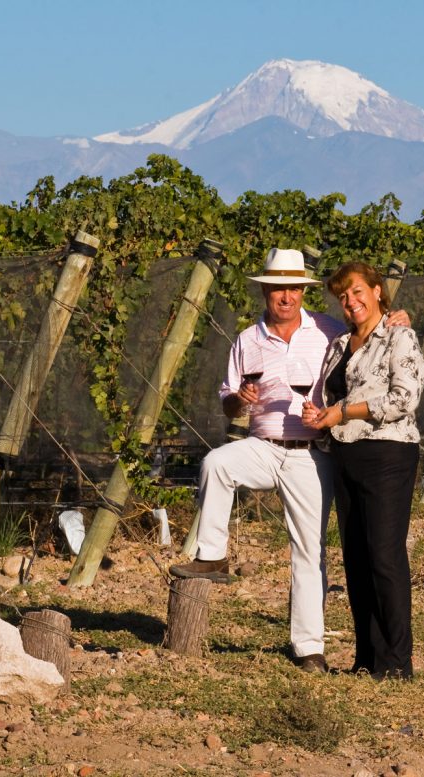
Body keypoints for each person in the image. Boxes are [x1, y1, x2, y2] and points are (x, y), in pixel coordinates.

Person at [171, 248, 406, 674]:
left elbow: (369, 333)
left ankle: (309, 648)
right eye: (279, 288)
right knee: (217, 463)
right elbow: (228, 403)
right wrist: (237, 401)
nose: (287, 296)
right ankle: (212, 553)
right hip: (264, 445)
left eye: (294, 287)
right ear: (266, 292)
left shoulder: (327, 329)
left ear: (303, 291)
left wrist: (395, 318)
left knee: (308, 551)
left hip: (311, 454)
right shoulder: (247, 340)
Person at [302, 260, 424, 680]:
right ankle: (367, 657)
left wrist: (343, 411)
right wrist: (319, 415)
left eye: (357, 291)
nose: (350, 301)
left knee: (385, 555)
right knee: (355, 558)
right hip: (345, 453)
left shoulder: (399, 335)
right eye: (343, 295)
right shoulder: (339, 345)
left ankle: (397, 662)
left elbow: (404, 399)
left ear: (377, 291)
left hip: (388, 453)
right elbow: (331, 397)